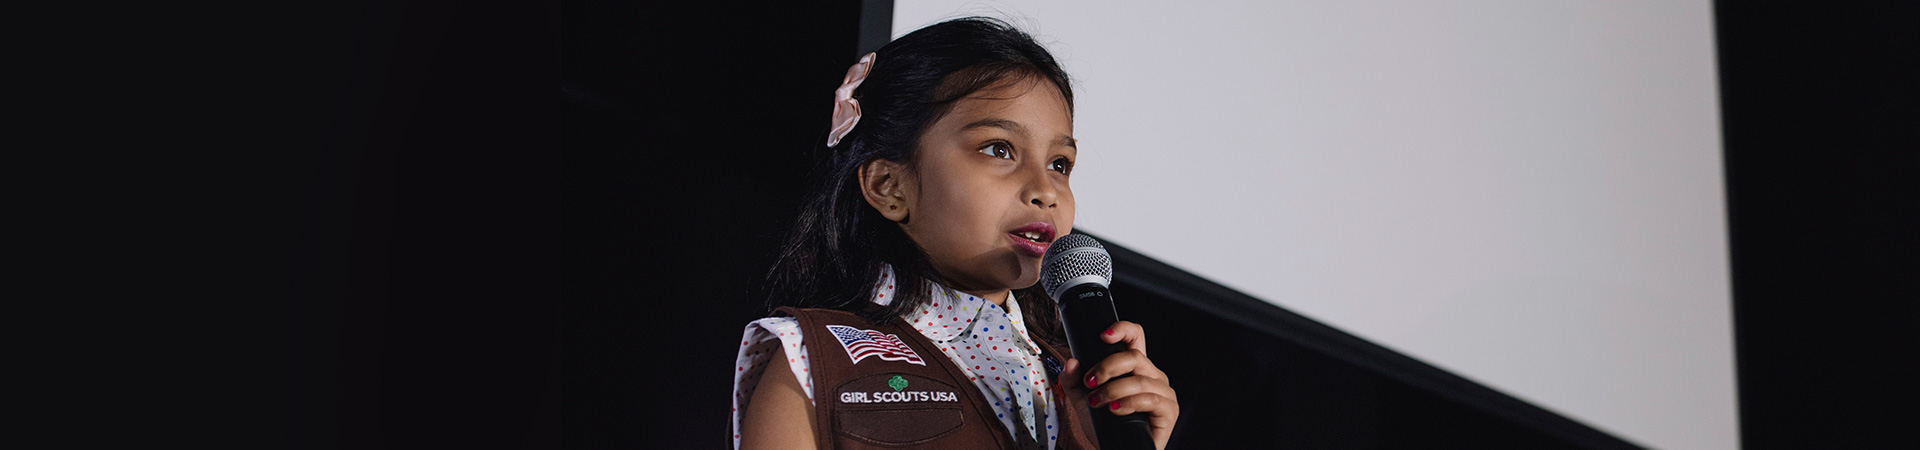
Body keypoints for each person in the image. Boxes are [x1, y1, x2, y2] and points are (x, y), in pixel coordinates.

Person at [730, 17, 1179, 450]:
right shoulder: (815, 357)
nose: (1046, 190)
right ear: (890, 187)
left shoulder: (1078, 381)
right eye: (998, 149)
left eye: (1059, 164)